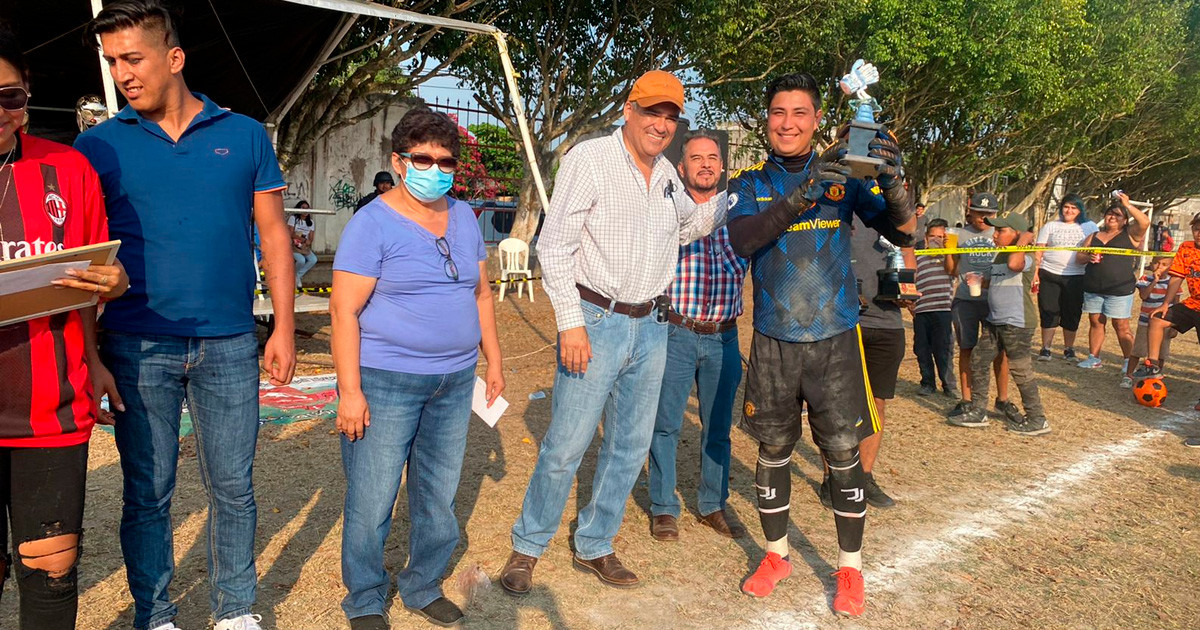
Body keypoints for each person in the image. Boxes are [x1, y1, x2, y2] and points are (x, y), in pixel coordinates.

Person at [73, 3, 296, 629]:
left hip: (229, 342)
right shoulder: (96, 147)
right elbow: (83, 262)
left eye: (133, 58)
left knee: (234, 489)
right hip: (135, 345)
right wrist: (90, 357)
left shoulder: (245, 134)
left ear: (174, 58)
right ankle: (155, 615)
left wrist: (282, 326)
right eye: (112, 63)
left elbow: (274, 236)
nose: (122, 74)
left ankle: (236, 611)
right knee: (147, 494)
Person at [499, 70, 723, 595]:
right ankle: (528, 546)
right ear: (629, 111)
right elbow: (554, 247)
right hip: (595, 321)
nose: (661, 125)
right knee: (566, 445)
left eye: (670, 117)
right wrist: (570, 324)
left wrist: (725, 195)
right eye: (652, 113)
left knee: (630, 445)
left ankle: (596, 542)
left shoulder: (667, 174)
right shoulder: (590, 159)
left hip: (652, 326)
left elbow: (687, 228)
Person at [724, 73, 916, 617]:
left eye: (799, 113)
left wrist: (894, 184)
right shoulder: (748, 183)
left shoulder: (845, 178)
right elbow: (743, 240)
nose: (787, 123)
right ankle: (776, 556)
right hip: (774, 341)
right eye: (778, 112)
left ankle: (850, 568)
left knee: (843, 454)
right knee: (772, 451)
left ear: (816, 121)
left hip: (834, 340)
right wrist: (800, 195)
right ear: (766, 120)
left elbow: (904, 232)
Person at [330, 107, 504, 630]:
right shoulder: (371, 224)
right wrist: (350, 392)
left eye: (445, 161)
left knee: (437, 494)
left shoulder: (464, 216)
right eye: (423, 159)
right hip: (386, 382)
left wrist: (494, 360)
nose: (435, 169)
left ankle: (423, 584)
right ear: (399, 161)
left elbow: (480, 293)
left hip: (454, 381)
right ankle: (365, 598)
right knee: (372, 498)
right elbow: (343, 311)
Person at [0, 24, 128, 630]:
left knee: (51, 571)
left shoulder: (68, 168)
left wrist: (96, 352)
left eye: (8, 96)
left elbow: (91, 276)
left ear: (27, 92)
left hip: (49, 406)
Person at [647, 131, 748, 542]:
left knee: (718, 428)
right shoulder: (669, 211)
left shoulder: (740, 213)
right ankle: (663, 506)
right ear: (682, 166)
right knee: (665, 424)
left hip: (724, 337)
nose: (705, 164)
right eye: (696, 158)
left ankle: (712, 504)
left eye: (712, 158)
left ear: (722, 166)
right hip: (677, 332)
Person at [816, 218, 916, 510]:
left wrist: (907, 292)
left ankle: (864, 476)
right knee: (833, 403)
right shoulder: (837, 208)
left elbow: (908, 264)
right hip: (841, 323)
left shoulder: (895, 218)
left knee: (876, 403)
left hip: (887, 323)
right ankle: (833, 477)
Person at [948, 211, 1048, 435]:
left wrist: (1024, 239)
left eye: (1001, 231)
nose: (995, 235)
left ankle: (1037, 418)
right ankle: (978, 410)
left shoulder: (1025, 254)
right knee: (979, 360)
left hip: (1017, 322)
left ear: (1017, 234)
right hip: (995, 321)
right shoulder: (1000, 255)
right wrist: (981, 282)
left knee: (1021, 370)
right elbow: (998, 280)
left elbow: (1015, 264)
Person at [944, 193, 1017, 425]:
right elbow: (951, 270)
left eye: (988, 213)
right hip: (966, 298)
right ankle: (967, 400)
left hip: (994, 299)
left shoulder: (1001, 234)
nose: (983, 218)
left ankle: (1002, 398)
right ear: (970, 211)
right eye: (979, 212)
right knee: (967, 347)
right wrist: (948, 251)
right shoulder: (960, 235)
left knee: (1000, 351)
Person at [1075, 193, 1149, 371]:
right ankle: (1094, 358)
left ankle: (1129, 361)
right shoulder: (1094, 236)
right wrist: (1088, 256)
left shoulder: (1130, 234)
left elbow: (1145, 222)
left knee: (1121, 325)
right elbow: (1079, 257)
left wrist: (1127, 205)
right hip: (1094, 287)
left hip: (1119, 289)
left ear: (1125, 220)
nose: (1112, 217)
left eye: (1118, 215)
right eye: (1110, 213)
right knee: (1096, 322)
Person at [1134, 214, 1200, 383]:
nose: (1199, 233)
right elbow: (1177, 277)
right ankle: (1152, 365)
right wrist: (1165, 304)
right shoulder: (1186, 248)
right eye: (1196, 228)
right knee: (1157, 318)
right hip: (1194, 303)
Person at [1033, 194, 1098, 360]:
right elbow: (1039, 250)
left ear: (1080, 210)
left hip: (1076, 276)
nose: (1069, 211)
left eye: (1073, 208)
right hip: (1049, 273)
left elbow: (1098, 247)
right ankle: (1046, 348)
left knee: (1072, 312)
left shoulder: (1089, 226)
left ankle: (1069, 348)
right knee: (1048, 311)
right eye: (1066, 207)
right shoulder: (1050, 226)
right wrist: (1035, 272)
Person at [913, 219, 957, 397]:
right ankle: (927, 383)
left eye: (940, 237)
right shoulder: (918, 257)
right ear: (926, 237)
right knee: (922, 349)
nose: (936, 240)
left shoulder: (949, 257)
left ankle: (949, 385)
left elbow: (952, 271)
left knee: (944, 348)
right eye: (933, 236)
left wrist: (948, 250)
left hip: (943, 309)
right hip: (922, 310)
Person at [1123, 256, 1177, 388]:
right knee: (1138, 351)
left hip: (1165, 324)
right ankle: (1129, 375)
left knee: (1161, 353)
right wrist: (1154, 281)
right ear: (1151, 264)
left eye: (1164, 264)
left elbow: (1176, 302)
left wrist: (1175, 326)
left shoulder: (1173, 282)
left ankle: (1156, 375)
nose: (1159, 267)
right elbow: (1144, 295)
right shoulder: (1145, 279)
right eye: (1156, 263)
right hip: (1145, 322)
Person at [289, 200, 317, 288]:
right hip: (293, 245)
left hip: (304, 246)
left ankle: (297, 275)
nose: (305, 210)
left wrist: (307, 242)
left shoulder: (311, 222)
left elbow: (311, 237)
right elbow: (290, 233)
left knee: (313, 259)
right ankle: (294, 276)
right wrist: (302, 239)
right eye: (303, 208)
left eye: (307, 208)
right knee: (301, 260)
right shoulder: (293, 219)